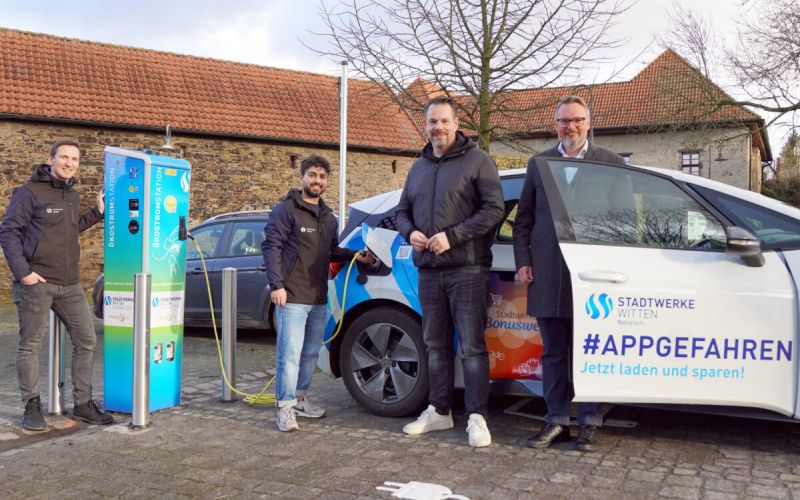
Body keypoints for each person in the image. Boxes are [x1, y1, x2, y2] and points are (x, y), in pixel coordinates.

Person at [513, 95, 626, 451]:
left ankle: (590, 422)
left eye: (577, 120)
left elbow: (625, 221)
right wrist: (523, 260)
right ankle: (556, 421)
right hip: (548, 272)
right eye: (564, 121)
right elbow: (523, 221)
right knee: (554, 352)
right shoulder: (539, 163)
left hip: (595, 276)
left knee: (592, 351)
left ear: (588, 122)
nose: (570, 127)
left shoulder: (610, 163)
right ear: (555, 126)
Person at [396, 96, 504, 448]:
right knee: (435, 345)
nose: (438, 128)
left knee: (472, 347)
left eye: (444, 121)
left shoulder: (478, 161)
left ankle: (477, 417)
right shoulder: (418, 167)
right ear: (425, 127)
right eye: (432, 122)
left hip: (467, 270)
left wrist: (453, 237)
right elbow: (401, 211)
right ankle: (439, 411)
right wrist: (408, 231)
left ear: (457, 124)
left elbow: (494, 210)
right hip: (428, 271)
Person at [0, 140, 113, 431]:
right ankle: (31, 405)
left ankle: (83, 404)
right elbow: (9, 232)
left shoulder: (71, 194)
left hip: (70, 284)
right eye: (64, 157)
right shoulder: (29, 193)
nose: (69, 163)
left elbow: (71, 227)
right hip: (36, 283)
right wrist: (23, 272)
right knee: (30, 346)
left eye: (74, 159)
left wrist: (97, 212)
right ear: (50, 159)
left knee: (87, 339)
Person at [262, 155, 372, 432]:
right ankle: (284, 407)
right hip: (292, 296)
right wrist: (277, 285)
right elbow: (271, 247)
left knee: (310, 353)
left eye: (322, 177)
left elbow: (332, 251)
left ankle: (300, 399)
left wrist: (356, 256)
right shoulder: (286, 211)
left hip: (318, 298)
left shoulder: (328, 217)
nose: (317, 181)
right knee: (289, 354)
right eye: (312, 175)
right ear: (302, 177)